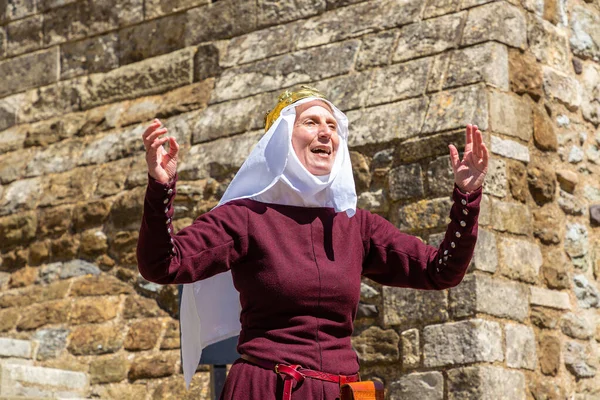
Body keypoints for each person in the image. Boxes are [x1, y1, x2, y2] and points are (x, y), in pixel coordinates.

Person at [137, 86, 489, 400]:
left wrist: (467, 198)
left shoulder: (357, 226)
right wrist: (160, 189)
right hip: (267, 390)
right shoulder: (245, 219)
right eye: (311, 122)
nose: (325, 132)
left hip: (344, 393)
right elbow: (164, 264)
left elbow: (440, 271)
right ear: (281, 139)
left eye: (333, 126)